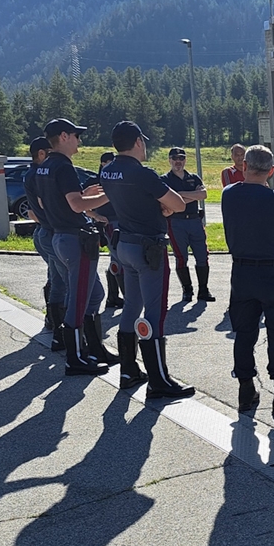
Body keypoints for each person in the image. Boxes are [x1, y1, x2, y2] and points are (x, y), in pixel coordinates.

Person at [100, 121, 195, 399]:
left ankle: (128, 370)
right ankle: (159, 380)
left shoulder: (108, 172)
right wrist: (161, 208)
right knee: (155, 311)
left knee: (131, 306)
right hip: (148, 247)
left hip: (124, 243)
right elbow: (177, 204)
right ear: (139, 142)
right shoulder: (142, 174)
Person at [221, 144, 274, 416]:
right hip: (273, 273)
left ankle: (246, 389)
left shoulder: (228, 195)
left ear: (244, 167)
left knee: (244, 334)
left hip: (242, 273)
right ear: (271, 170)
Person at [33, 118, 118, 376]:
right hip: (74, 239)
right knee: (79, 299)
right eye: (76, 135)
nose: (79, 141)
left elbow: (46, 202)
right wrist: (111, 193)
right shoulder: (63, 166)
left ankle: (92, 349)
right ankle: (76, 358)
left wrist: (82, 197)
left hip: (60, 235)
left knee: (92, 295)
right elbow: (76, 204)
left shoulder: (44, 166)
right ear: (64, 136)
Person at [23, 136, 65, 348]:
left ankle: (53, 322)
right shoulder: (38, 174)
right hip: (49, 231)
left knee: (55, 277)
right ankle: (59, 328)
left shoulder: (32, 173)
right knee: (61, 281)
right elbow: (42, 204)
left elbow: (32, 211)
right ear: (41, 154)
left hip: (44, 230)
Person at [161, 147, 215, 302]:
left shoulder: (193, 177)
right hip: (176, 222)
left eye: (181, 159)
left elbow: (203, 194)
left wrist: (179, 195)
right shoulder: (164, 180)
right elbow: (167, 201)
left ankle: (203, 290)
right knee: (181, 257)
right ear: (170, 160)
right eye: (175, 159)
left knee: (202, 256)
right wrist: (192, 195)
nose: (178, 162)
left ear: (185, 160)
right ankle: (187, 290)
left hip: (194, 220)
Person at [94, 151, 124, 310]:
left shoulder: (118, 180)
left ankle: (113, 297)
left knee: (116, 259)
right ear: (101, 163)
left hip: (122, 221)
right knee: (118, 260)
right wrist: (95, 215)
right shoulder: (96, 181)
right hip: (108, 223)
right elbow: (82, 202)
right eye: (107, 162)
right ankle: (125, 295)